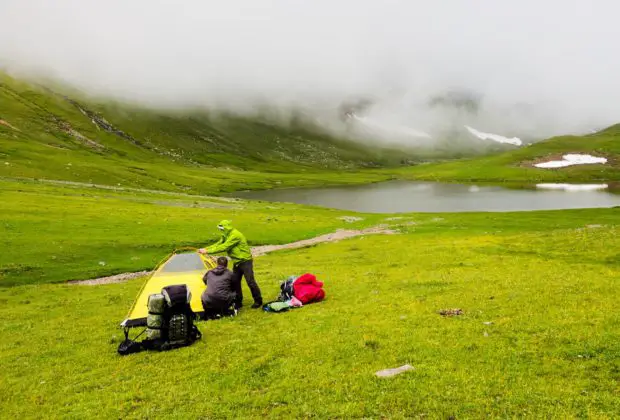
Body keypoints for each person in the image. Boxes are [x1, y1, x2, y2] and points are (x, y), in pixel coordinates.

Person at [199, 220, 263, 309]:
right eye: (220, 228)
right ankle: (238, 301)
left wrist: (207, 251)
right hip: (236, 262)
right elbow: (218, 244)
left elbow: (225, 246)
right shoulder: (226, 235)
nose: (221, 230)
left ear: (227, 227)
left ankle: (258, 301)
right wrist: (205, 249)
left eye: (222, 228)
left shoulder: (235, 235)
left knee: (250, 282)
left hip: (245, 261)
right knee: (235, 282)